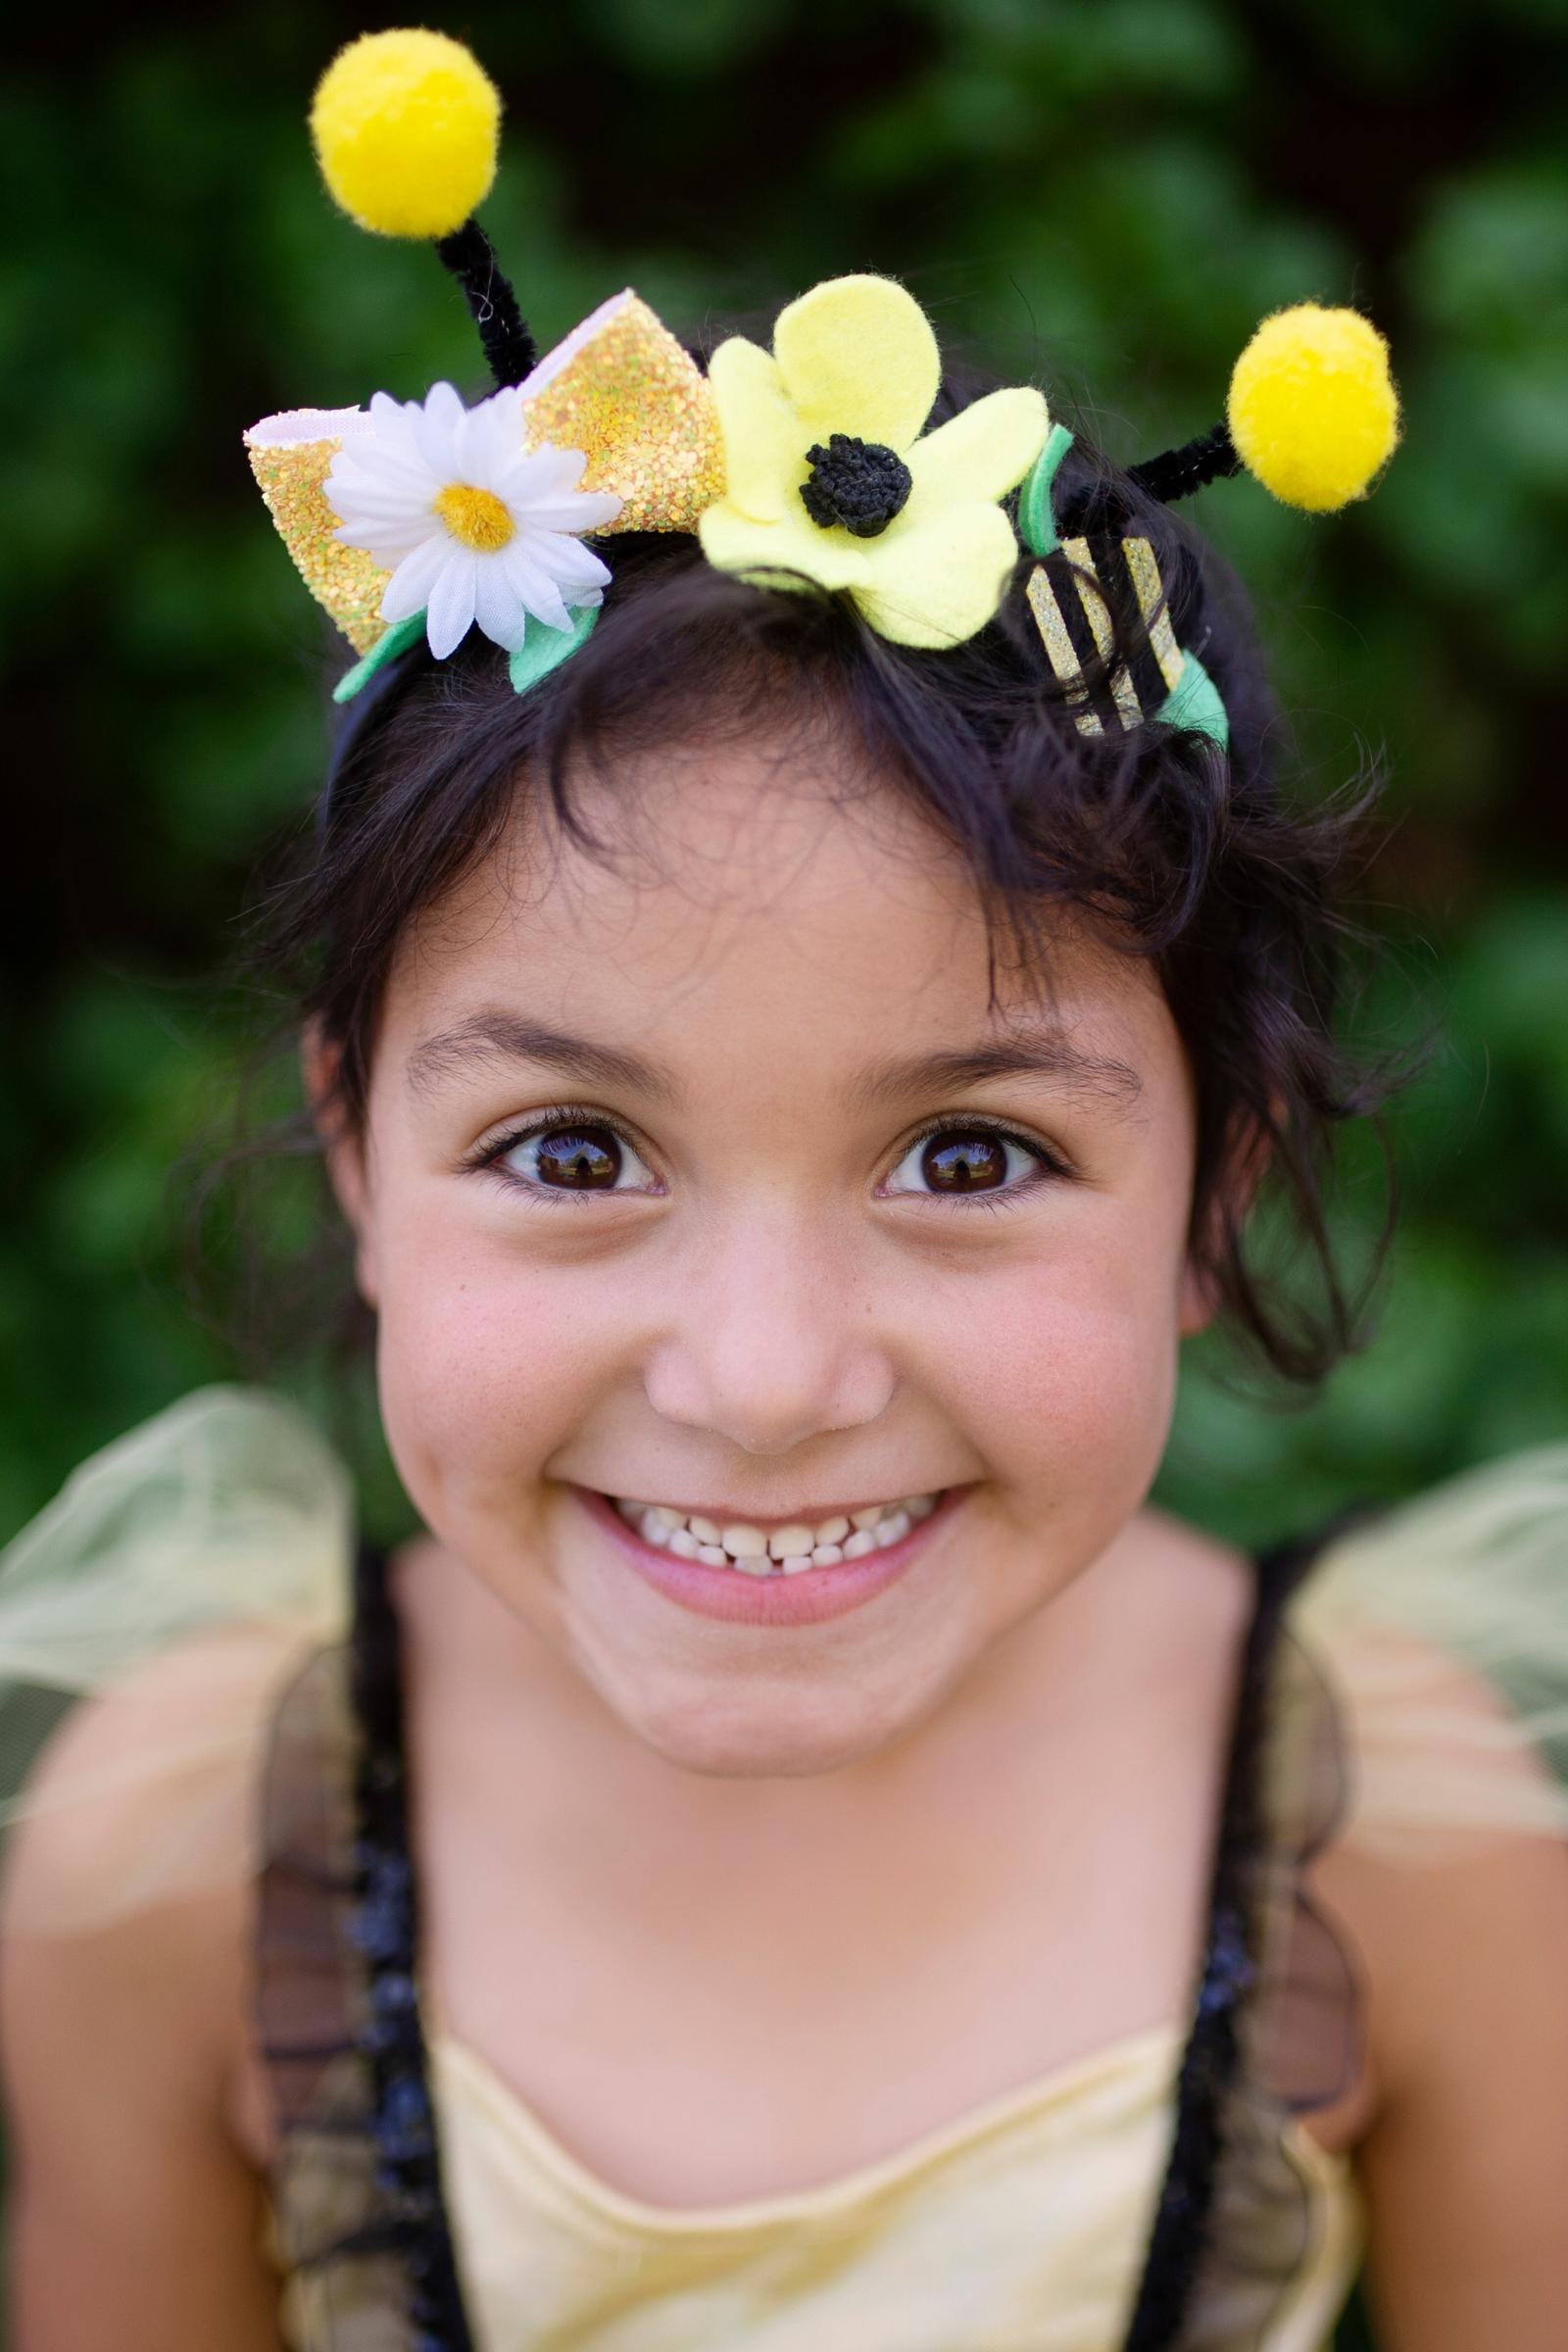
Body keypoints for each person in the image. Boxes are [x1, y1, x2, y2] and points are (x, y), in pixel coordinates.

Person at [1, 29, 1565, 2352]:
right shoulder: (187, 1860)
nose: (757, 1381)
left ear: (1213, 1190)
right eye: (567, 1151)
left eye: (968, 1155)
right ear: (354, 1154)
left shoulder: (1397, 1844)